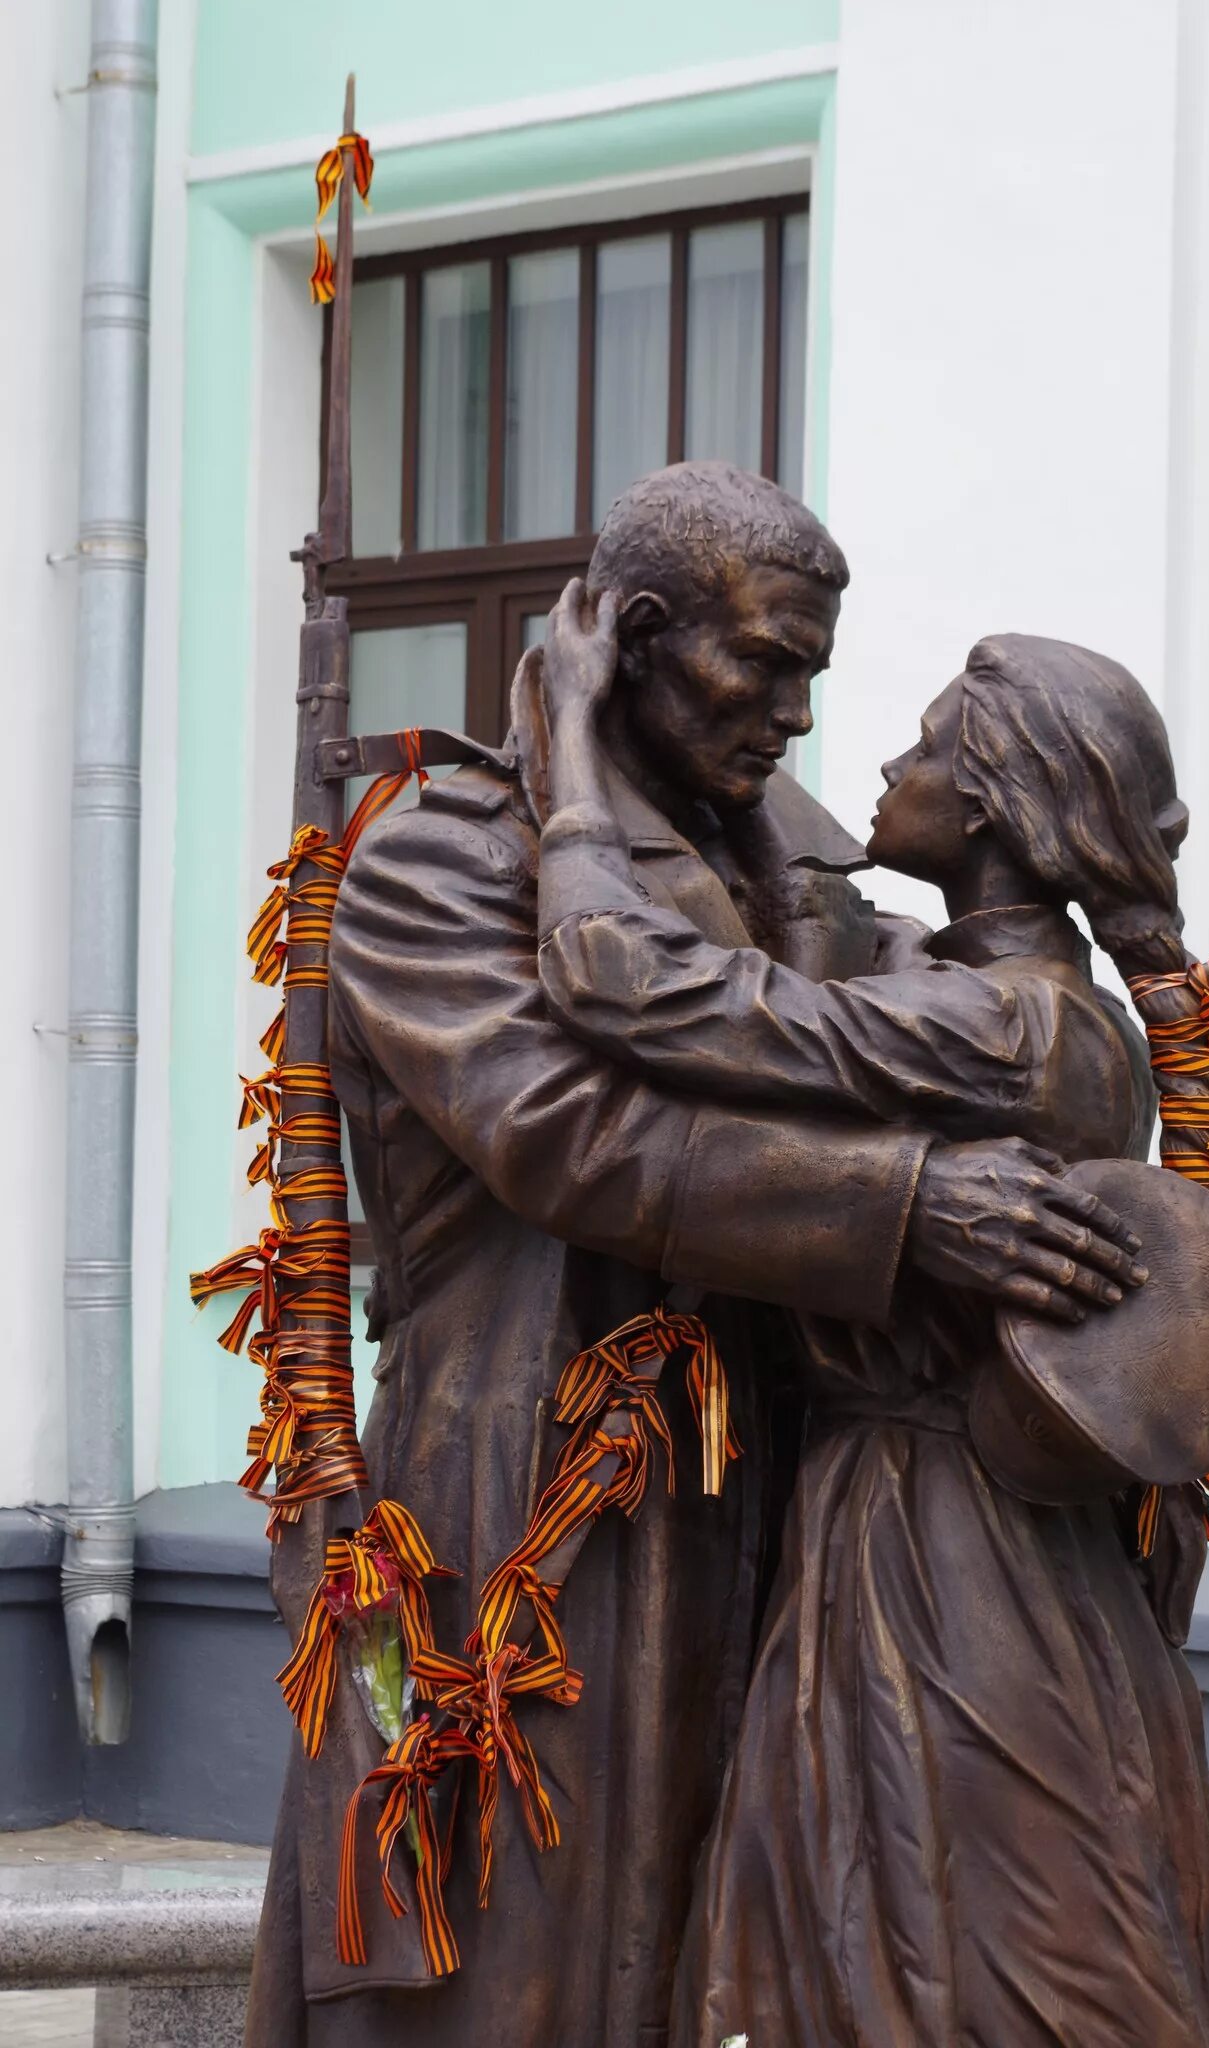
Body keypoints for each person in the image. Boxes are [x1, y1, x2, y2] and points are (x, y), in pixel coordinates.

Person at [246, 464, 1144, 2048]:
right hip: (529, 1491)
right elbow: (572, 1132)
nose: (798, 714)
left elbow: (929, 1044)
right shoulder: (444, 860)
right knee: (514, 1965)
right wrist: (910, 1208)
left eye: (815, 670)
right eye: (767, 666)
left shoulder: (799, 884)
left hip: (778, 1493)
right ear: (636, 639)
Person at [534, 592, 1209, 2048]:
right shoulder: (1001, 1002)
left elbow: (620, 980)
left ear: (987, 803)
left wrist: (569, 762)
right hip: (951, 1538)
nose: (880, 773)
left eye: (918, 752)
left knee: (960, 1940)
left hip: (943, 1557)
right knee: (880, 1932)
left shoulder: (1005, 1030)